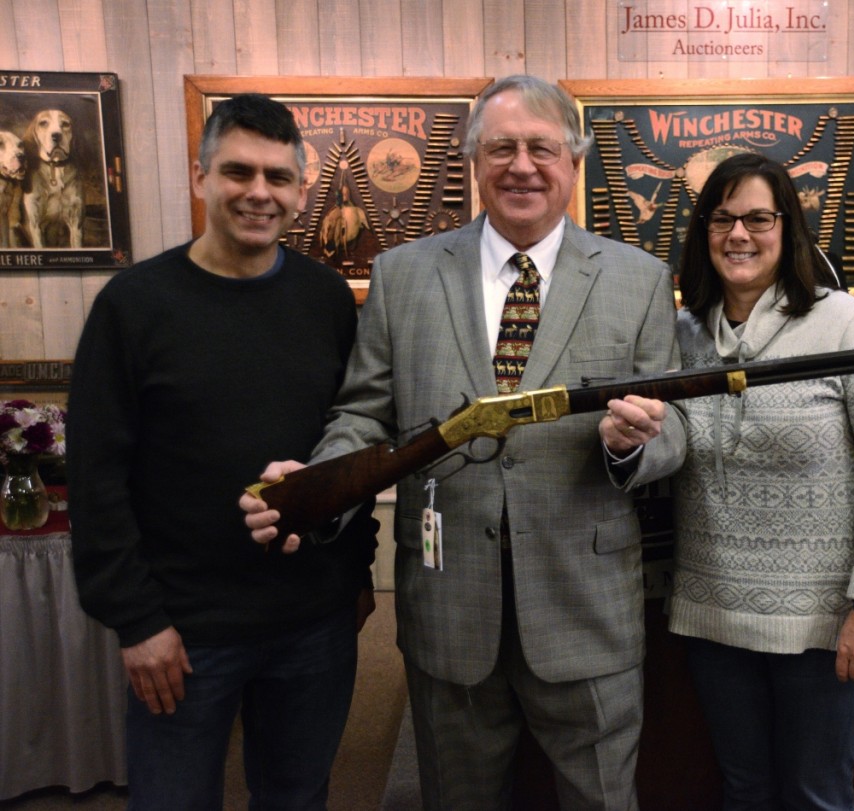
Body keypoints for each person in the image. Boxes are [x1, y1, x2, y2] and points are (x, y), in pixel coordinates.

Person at [242, 75, 685, 811]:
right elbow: (365, 415)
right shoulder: (403, 273)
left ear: (572, 162)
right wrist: (318, 481)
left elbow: (678, 430)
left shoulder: (637, 280)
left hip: (587, 607)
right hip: (450, 605)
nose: (521, 165)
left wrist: (632, 445)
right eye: (501, 147)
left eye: (541, 148)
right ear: (474, 161)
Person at [67, 93, 378, 811]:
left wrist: (356, 566)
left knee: (296, 796)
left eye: (277, 176)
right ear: (201, 175)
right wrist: (137, 622)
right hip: (184, 631)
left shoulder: (326, 298)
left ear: (301, 189)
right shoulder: (133, 305)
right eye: (239, 171)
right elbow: (96, 480)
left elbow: (352, 437)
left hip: (312, 620)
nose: (258, 192)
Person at [667, 152, 854, 810]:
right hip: (712, 613)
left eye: (758, 217)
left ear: (788, 228)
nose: (739, 235)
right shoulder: (684, 333)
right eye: (721, 219)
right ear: (703, 231)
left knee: (817, 795)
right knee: (743, 790)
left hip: (824, 624)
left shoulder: (843, 322)